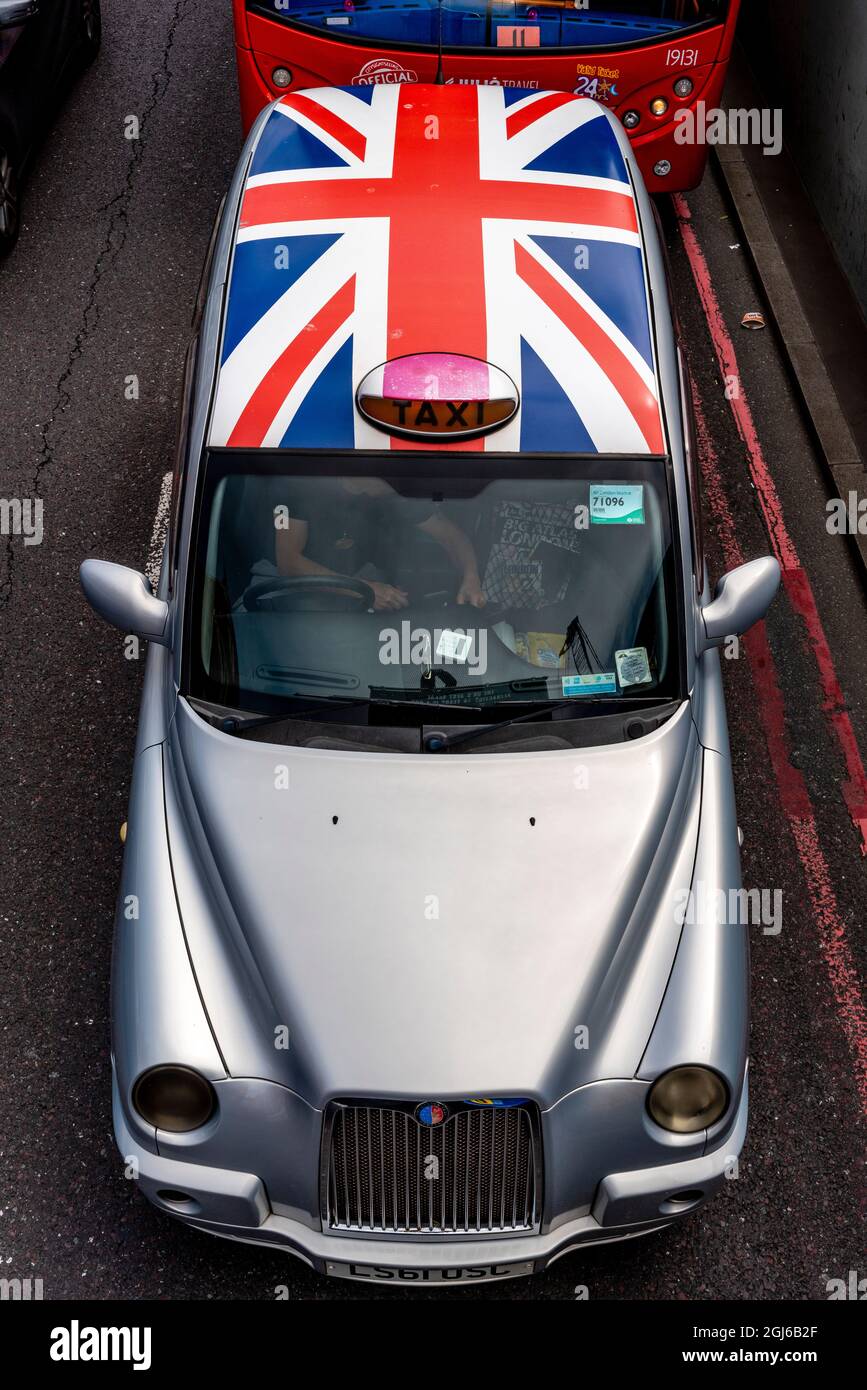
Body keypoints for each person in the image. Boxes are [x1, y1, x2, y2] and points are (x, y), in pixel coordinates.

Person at [273, 476, 486, 612]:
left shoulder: (395, 493)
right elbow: (288, 562)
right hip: (298, 595)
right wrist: (363, 590)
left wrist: (471, 576)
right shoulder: (300, 483)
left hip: (362, 594)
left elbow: (451, 535)